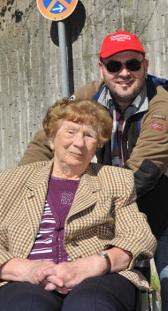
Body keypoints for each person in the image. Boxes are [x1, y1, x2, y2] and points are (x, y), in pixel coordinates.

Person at [18, 31, 168, 311]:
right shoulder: (88, 96)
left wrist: (91, 204)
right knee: (127, 284)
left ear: (145, 66)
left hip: (163, 208)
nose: (124, 72)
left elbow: (143, 173)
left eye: (132, 64)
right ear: (102, 69)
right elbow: (48, 140)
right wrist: (24, 188)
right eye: (114, 66)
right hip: (114, 208)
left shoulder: (163, 107)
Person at [0, 98, 156, 311]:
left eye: (89, 135)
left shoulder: (115, 179)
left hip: (99, 278)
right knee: (27, 305)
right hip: (24, 281)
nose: (80, 142)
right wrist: (25, 269)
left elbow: (139, 235)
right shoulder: (10, 181)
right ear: (52, 137)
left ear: (98, 144)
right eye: (71, 132)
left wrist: (94, 264)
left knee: (89, 305)